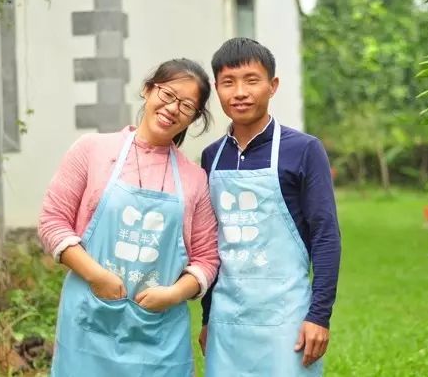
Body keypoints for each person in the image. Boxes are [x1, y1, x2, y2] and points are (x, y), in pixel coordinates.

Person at [38, 59, 220, 376]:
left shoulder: (194, 179)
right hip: (90, 323)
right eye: (167, 94)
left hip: (159, 335)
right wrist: (98, 276)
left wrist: (174, 294)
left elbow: (207, 258)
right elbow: (53, 222)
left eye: (187, 105)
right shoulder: (92, 150)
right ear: (148, 90)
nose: (173, 108)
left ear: (194, 117)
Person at [199, 38, 341, 376]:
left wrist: (319, 316)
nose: (240, 92)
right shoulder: (211, 156)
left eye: (251, 80)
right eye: (228, 82)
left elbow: (325, 235)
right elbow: (209, 244)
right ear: (216, 89)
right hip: (228, 318)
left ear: (272, 86)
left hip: (286, 318)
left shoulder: (304, 149)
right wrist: (207, 319)